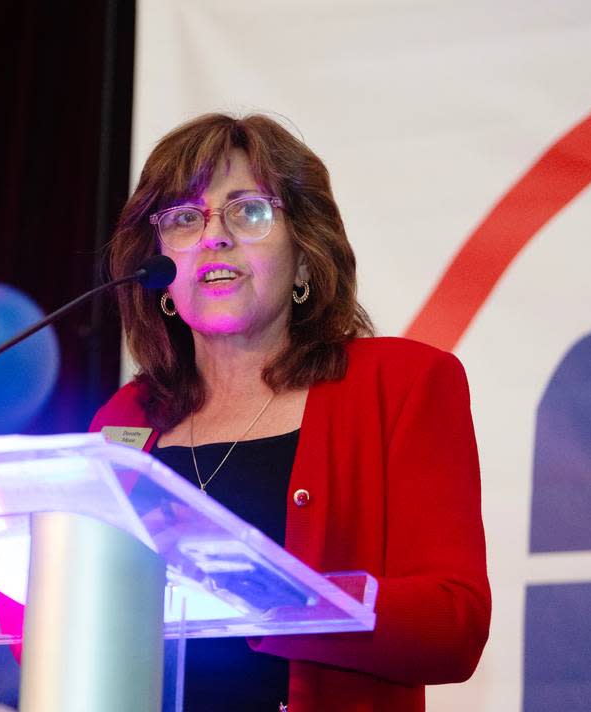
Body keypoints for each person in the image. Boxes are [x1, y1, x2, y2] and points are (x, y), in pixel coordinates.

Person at [90, 113, 490, 710]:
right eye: (183, 218)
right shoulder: (128, 414)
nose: (213, 236)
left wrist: (260, 593)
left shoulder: (403, 385)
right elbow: (52, 622)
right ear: (160, 274)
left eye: (248, 211)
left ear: (305, 256)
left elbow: (453, 625)